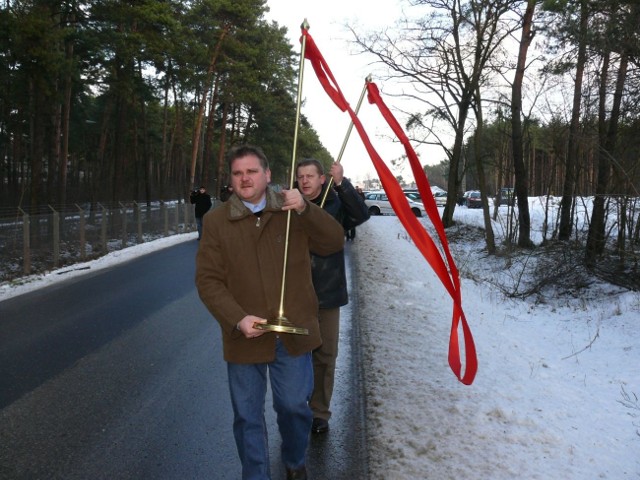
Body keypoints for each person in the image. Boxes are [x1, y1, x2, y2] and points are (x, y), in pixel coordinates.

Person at [195, 145, 345, 480]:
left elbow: (333, 242)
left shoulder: (291, 208)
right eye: (237, 173)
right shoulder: (217, 220)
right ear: (231, 180)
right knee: (247, 416)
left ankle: (294, 460)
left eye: (251, 171)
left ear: (268, 175)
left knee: (294, 407)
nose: (244, 178)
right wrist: (237, 318)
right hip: (245, 334)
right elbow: (208, 280)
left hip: (292, 331)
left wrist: (306, 208)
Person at [295, 159, 369, 434]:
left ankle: (319, 412)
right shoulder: (288, 205)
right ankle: (296, 407)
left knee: (325, 355)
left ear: (321, 179)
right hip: (294, 294)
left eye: (310, 176)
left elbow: (361, 215)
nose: (304, 181)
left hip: (327, 292)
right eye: (300, 176)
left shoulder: (336, 203)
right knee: (295, 354)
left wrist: (343, 183)